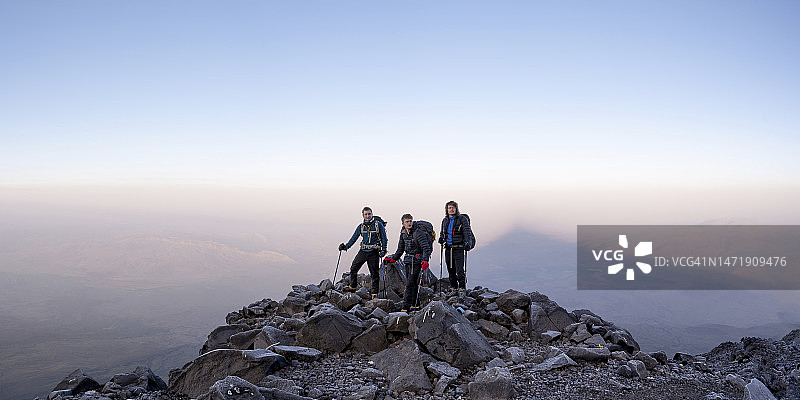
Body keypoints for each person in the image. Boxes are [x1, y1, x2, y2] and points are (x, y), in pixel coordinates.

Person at [383, 214, 432, 312]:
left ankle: (405, 307)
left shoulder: (418, 233)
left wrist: (425, 260)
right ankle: (415, 305)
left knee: (409, 284)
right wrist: (393, 259)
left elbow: (426, 248)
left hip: (417, 261)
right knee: (412, 283)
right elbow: (400, 249)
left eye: (410, 221)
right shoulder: (403, 233)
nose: (409, 223)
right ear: (403, 223)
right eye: (407, 222)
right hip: (408, 261)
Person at [339, 207, 387, 297]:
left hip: (374, 251)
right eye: (366, 214)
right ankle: (352, 286)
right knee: (353, 268)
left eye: (369, 214)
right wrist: (345, 246)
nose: (368, 216)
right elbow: (354, 238)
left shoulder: (378, 225)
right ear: (363, 215)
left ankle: (374, 293)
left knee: (374, 273)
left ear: (372, 214)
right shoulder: (361, 227)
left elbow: (384, 238)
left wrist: (384, 250)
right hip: (363, 251)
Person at [439, 200, 474, 297]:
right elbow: (442, 232)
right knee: (451, 270)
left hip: (459, 248)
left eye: (453, 207)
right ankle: (454, 288)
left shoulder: (462, 219)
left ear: (456, 209)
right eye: (449, 208)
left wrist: (467, 243)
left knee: (459, 270)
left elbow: (467, 232)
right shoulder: (445, 220)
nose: (451, 209)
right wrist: (441, 238)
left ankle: (462, 289)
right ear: (447, 209)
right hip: (448, 248)